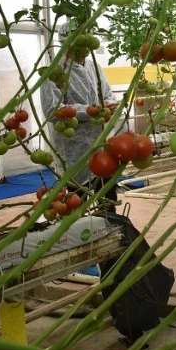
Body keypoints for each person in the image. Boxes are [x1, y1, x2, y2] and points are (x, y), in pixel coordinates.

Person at [40, 20, 119, 277]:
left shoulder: (94, 66)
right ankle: (79, 256)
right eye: (81, 38)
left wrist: (109, 104)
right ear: (68, 40)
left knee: (107, 196)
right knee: (76, 200)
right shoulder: (55, 71)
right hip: (73, 146)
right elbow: (53, 111)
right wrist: (91, 111)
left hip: (101, 142)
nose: (87, 43)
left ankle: (111, 244)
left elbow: (107, 93)